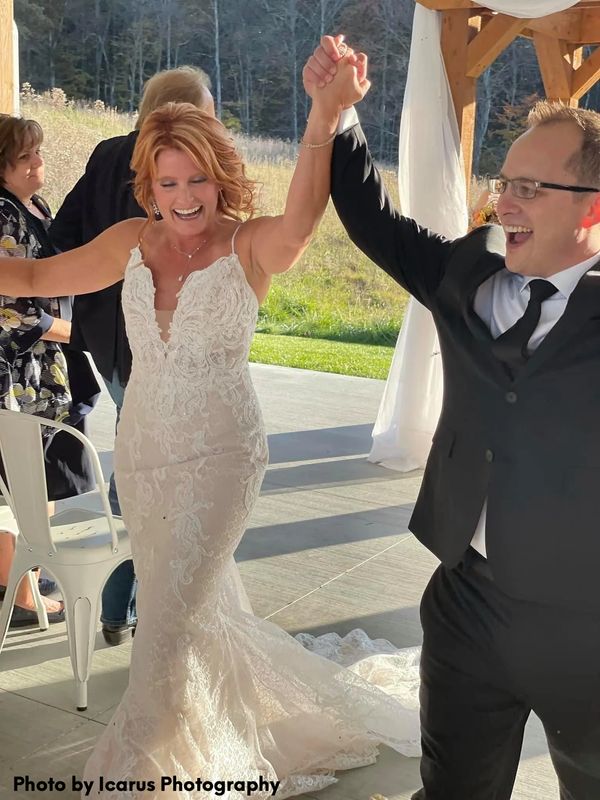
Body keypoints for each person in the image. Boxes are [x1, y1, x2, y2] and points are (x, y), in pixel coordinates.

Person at [0, 53, 424, 797]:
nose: (184, 196)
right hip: (144, 453)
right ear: (149, 186)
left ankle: (141, 774)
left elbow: (301, 216)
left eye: (197, 179)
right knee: (179, 610)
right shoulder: (133, 239)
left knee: (167, 628)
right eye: (168, 182)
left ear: (220, 175)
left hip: (223, 454)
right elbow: (36, 279)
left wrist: (325, 115)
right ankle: (229, 726)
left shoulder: (250, 243)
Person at [306, 35, 600, 800]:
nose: (505, 202)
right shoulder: (470, 269)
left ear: (592, 209)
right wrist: (339, 116)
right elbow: (375, 222)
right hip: (467, 610)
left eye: (530, 189)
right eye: (506, 182)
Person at [51, 66, 215, 646]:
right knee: (156, 474)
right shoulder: (179, 168)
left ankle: (125, 607)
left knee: (147, 461)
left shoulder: (105, 155)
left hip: (117, 340)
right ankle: (141, 607)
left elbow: (62, 235)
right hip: (146, 340)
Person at [0, 114, 99, 627]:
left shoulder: (30, 204)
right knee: (23, 486)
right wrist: (78, 333)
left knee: (35, 485)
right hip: (16, 376)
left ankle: (26, 582)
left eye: (37, 152)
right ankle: (19, 593)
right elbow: (11, 310)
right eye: (26, 157)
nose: (40, 163)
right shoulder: (1, 212)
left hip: (40, 372)